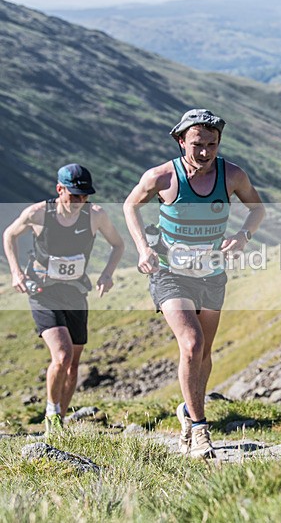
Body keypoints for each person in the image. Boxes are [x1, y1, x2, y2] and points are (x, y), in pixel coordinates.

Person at [123, 109, 265, 459]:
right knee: (191, 343)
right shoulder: (161, 177)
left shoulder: (232, 175)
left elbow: (257, 209)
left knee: (204, 354)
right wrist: (143, 249)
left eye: (212, 145)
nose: (204, 152)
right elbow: (130, 206)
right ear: (180, 141)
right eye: (197, 145)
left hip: (211, 275)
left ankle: (188, 411)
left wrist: (243, 237)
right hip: (169, 272)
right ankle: (200, 429)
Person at [3, 164, 125, 436]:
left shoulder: (96, 215)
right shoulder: (38, 213)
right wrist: (16, 272)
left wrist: (107, 274)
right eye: (74, 195)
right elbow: (9, 235)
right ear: (59, 190)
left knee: (73, 364)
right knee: (62, 354)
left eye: (85, 196)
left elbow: (118, 244)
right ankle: (51, 411)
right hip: (43, 291)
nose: (80, 201)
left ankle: (59, 422)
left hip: (75, 293)